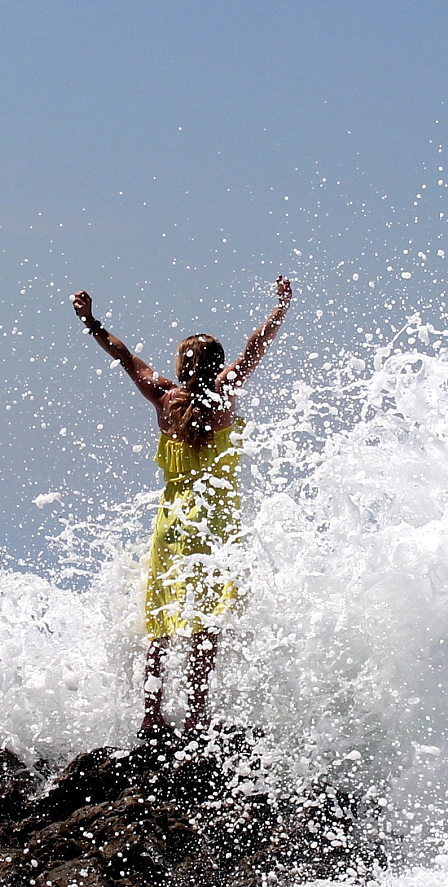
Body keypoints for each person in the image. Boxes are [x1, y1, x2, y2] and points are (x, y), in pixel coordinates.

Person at [70, 277, 292, 744]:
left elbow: (125, 357)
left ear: (180, 365)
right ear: (217, 363)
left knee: (161, 620)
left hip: (172, 525)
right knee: (205, 624)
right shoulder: (224, 394)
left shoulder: (164, 397)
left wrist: (91, 321)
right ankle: (195, 717)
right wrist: (279, 311)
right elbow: (256, 347)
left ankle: (151, 717)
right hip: (214, 525)